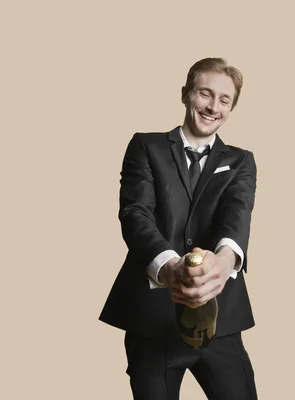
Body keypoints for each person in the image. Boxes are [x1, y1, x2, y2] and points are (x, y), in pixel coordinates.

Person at [99, 57, 258, 399]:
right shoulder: (146, 145)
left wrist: (224, 263)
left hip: (222, 320)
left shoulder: (241, 160)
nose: (213, 106)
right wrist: (170, 267)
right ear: (186, 94)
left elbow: (238, 215)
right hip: (151, 318)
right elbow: (135, 212)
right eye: (205, 93)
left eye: (224, 100)